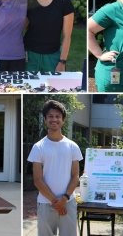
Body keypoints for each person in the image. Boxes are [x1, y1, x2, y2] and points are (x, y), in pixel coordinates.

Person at [27, 100, 83, 236]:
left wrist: (63, 199)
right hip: (46, 203)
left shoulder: (72, 146)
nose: (54, 119)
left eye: (58, 116)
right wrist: (55, 202)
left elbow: (76, 176)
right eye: (50, 116)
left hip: (68, 202)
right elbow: (37, 180)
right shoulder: (38, 147)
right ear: (45, 120)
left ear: (63, 120)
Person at [24, 0, 74, 72]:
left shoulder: (64, 1)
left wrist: (62, 62)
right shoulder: (29, 1)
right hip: (29, 56)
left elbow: (67, 36)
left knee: (53, 89)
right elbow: (20, 27)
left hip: (53, 58)